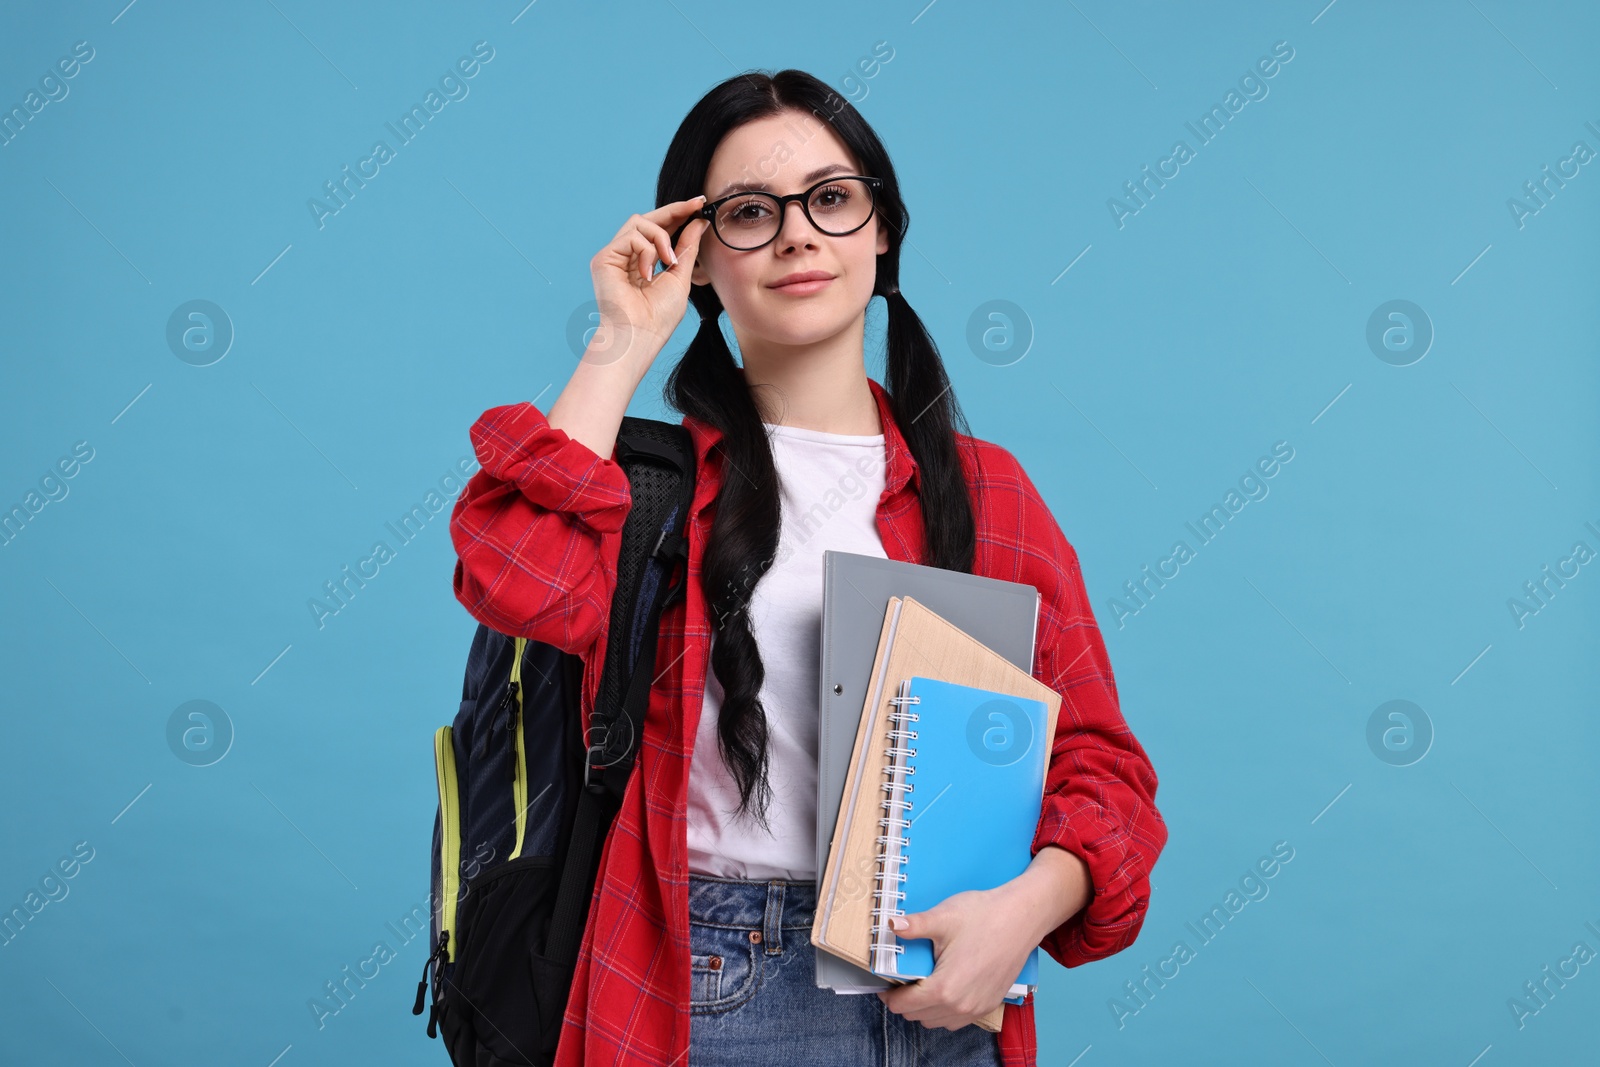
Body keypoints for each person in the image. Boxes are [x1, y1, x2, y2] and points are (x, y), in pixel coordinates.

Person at [450, 68, 1166, 1067]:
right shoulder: (648, 488)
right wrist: (619, 342)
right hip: (705, 988)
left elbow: (1104, 767)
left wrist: (1030, 904)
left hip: (940, 993)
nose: (796, 234)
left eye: (831, 200)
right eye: (749, 211)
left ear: (881, 231)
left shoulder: (986, 492)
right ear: (695, 257)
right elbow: (513, 578)